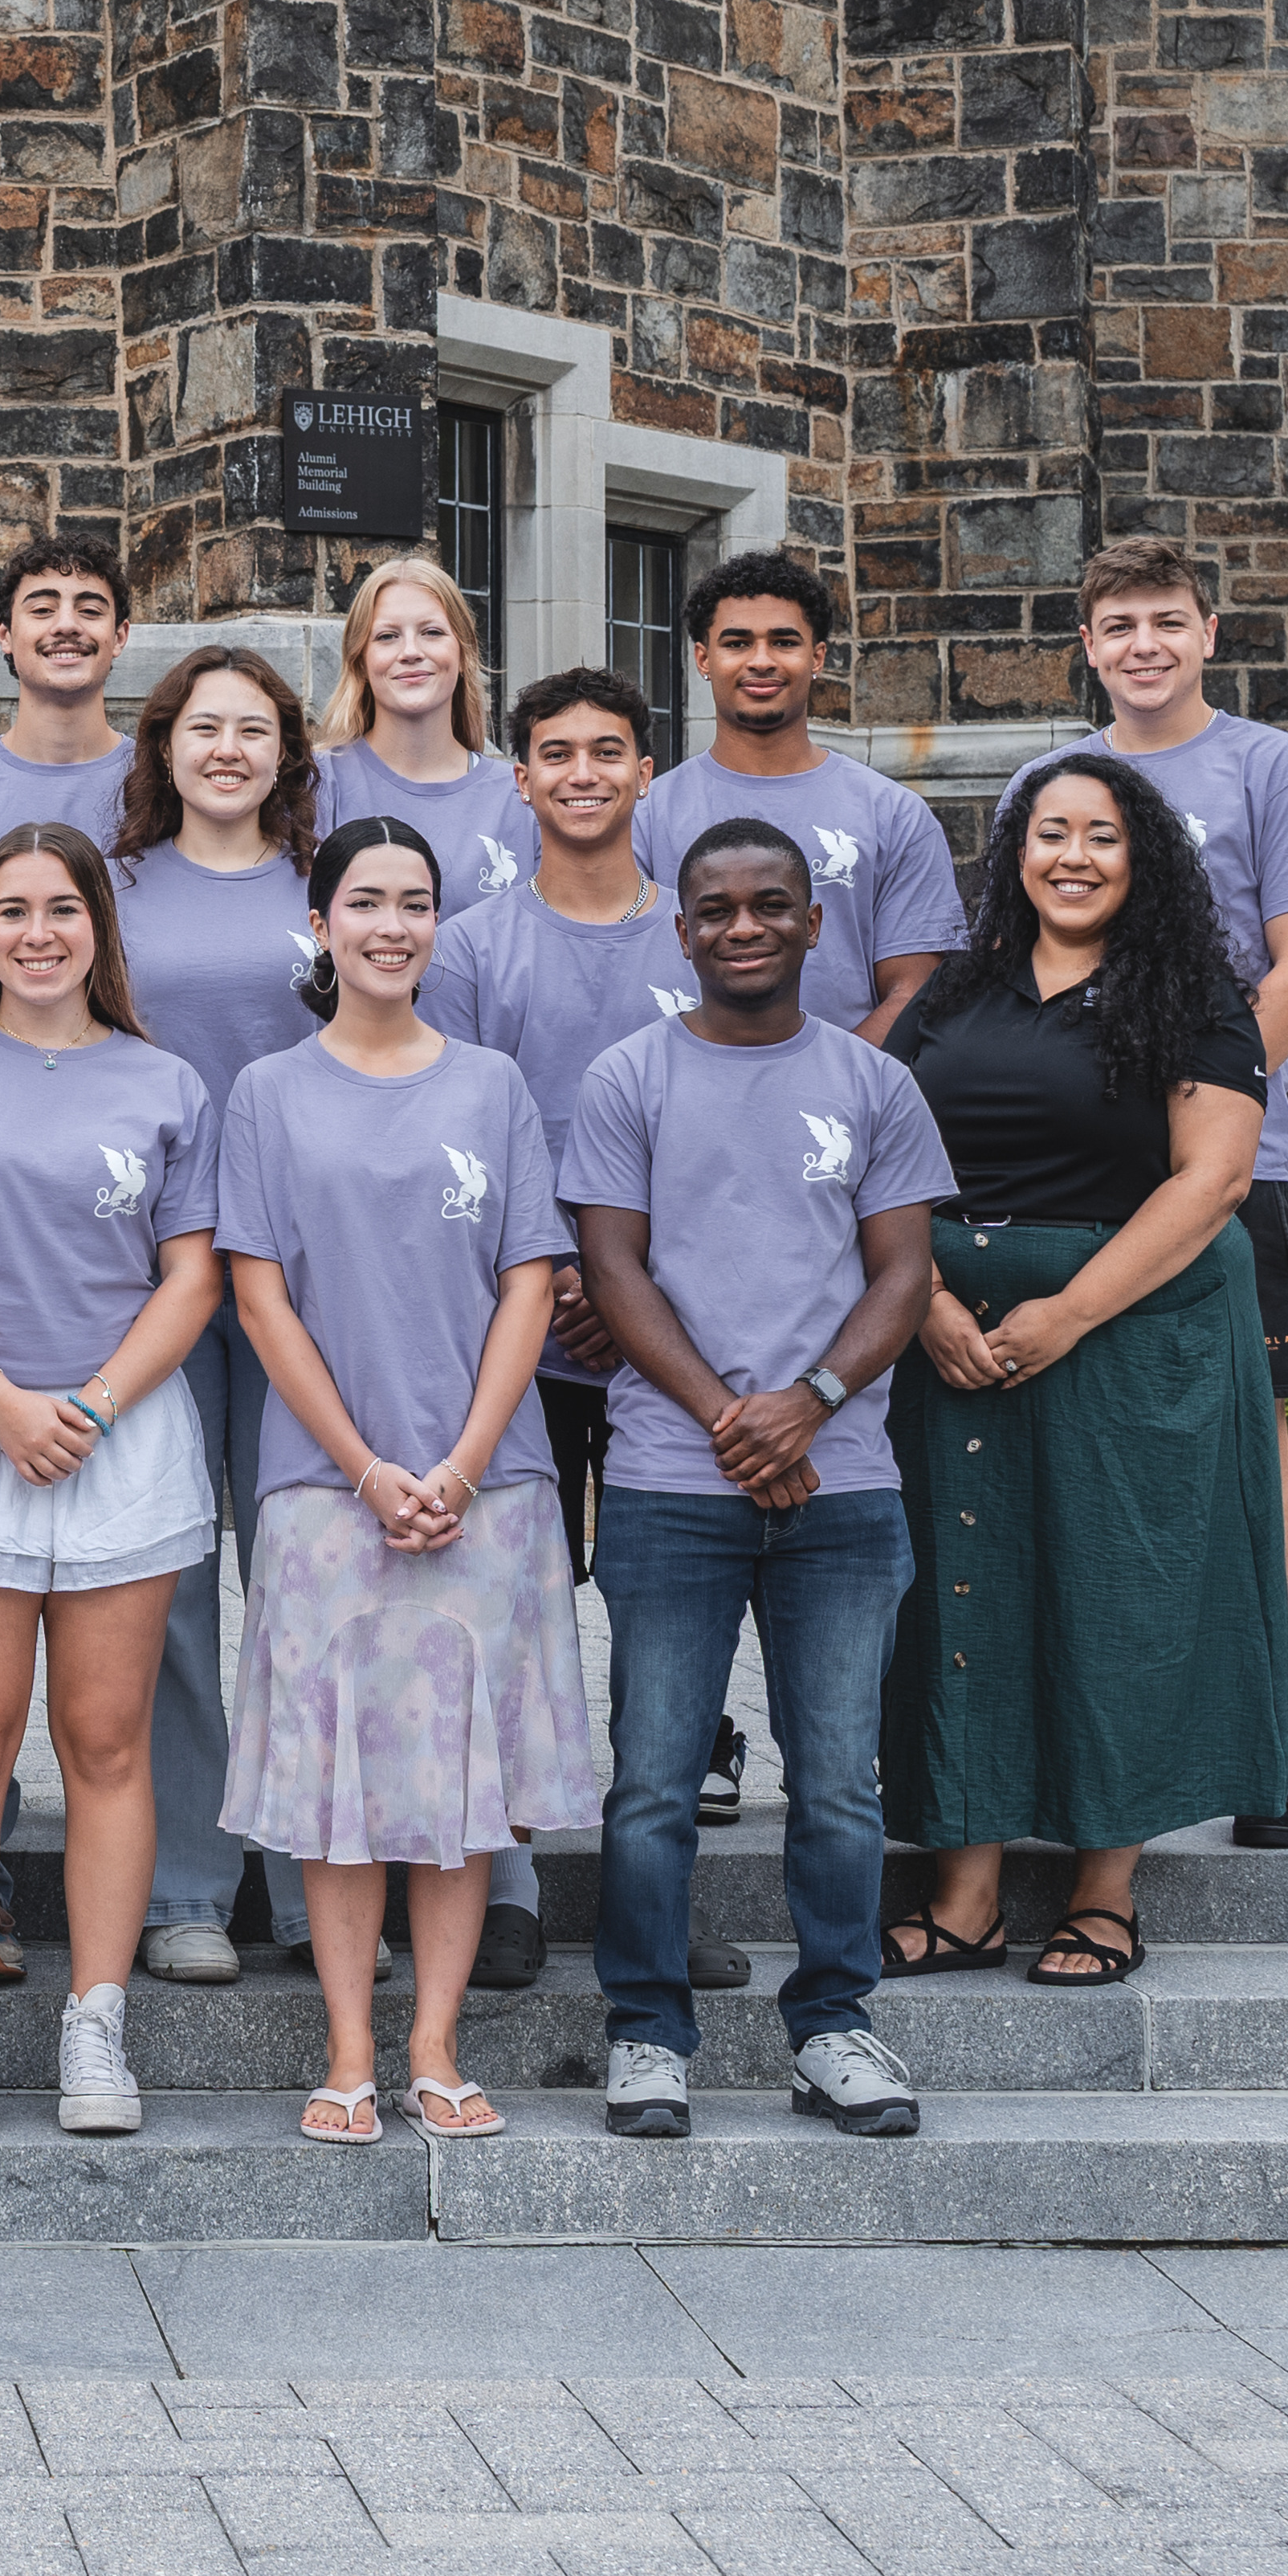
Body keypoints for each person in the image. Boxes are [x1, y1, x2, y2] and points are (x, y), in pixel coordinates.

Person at [561, 819, 958, 2145]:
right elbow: (611, 1267)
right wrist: (732, 1418)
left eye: (769, 903)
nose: (743, 925)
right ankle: (644, 2032)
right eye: (716, 907)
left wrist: (810, 1402)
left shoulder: (870, 1082)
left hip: (840, 1487)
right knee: (652, 1780)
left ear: (812, 922)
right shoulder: (628, 1076)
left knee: (837, 1781)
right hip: (671, 1482)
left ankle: (833, 2023)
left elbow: (901, 1271)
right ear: (680, 928)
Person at [878, 754, 1288, 1984]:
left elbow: (1213, 1178)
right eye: (1049, 831)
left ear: (1141, 856)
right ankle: (965, 1894)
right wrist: (924, 1300)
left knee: (1123, 1596)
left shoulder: (1193, 994)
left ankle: (1103, 1891)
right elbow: (874, 1150)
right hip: (950, 1332)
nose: (1072, 855)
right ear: (1016, 852)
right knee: (962, 1592)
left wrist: (1066, 1312)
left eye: (1101, 835)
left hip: (1129, 1331)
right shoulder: (957, 989)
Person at [213, 819, 596, 2146]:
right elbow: (260, 1297)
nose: (391, 924)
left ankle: (432, 2042)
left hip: (487, 1482)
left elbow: (528, 1280)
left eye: (415, 902)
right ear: (319, 923)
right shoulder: (266, 1091)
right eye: (365, 901)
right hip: (326, 1485)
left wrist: (460, 1463)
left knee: (459, 1774)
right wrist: (370, 1467)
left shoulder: (493, 1084)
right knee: (337, 1777)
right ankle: (345, 2047)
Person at [995, 535, 1288, 1850]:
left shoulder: (1272, 767)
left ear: (1207, 632)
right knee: (1077, 1454)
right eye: (1117, 625)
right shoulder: (1044, 782)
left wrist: (1191, 1113)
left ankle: (1275, 1734)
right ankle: (1091, 1728)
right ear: (1085, 645)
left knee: (1248, 1461)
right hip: (1068, 1178)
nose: (1141, 644)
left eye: (1164, 619)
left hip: (1227, 1173)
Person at [0, 825, 218, 2137]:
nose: (35, 932)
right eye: (9, 909)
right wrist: (3, 1401)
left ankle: (95, 2019)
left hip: (120, 1432)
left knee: (106, 1739)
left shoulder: (165, 1080)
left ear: (96, 928)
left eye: (60, 907)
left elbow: (191, 1272)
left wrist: (93, 1401)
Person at [424, 665, 741, 1987]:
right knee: (505, 1608)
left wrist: (635, 1289)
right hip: (519, 1325)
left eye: (607, 750)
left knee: (666, 1621)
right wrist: (556, 1269)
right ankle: (500, 1884)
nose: (581, 773)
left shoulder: (703, 934)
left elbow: (732, 1132)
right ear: (520, 777)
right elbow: (447, 1127)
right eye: (555, 752)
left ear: (644, 772)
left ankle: (648, 1893)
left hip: (673, 1336)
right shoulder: (468, 948)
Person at [107, 642, 324, 1988]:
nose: (227, 748)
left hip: (310, 1275)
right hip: (162, 1274)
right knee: (173, 1585)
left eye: (252, 728)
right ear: (165, 746)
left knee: (301, 1572)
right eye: (203, 726)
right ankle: (185, 1879)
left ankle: (313, 1877)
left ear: (287, 750)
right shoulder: (114, 887)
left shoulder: (327, 883)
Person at [633, 551, 962, 1043]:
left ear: (817, 657)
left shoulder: (894, 815)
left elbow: (914, 991)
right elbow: (620, 974)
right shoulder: (644, 816)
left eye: (784, 642)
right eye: (737, 643)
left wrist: (821, 1077)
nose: (761, 660)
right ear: (703, 659)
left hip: (848, 1085)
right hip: (675, 1083)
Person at [309, 557, 532, 896]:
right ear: (360, 662)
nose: (411, 652)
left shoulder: (521, 797)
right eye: (387, 636)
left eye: (432, 633)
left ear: (464, 654)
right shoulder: (317, 784)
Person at [0, 537, 137, 836]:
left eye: (90, 611)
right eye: (43, 610)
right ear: (5, 635)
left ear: (119, 637)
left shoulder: (166, 787)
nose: (67, 625)